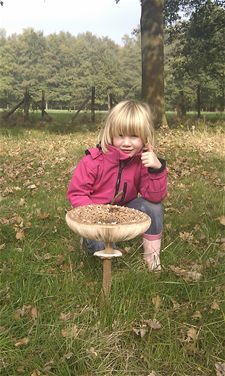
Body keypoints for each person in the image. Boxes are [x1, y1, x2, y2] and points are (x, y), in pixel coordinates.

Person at [67, 100, 168, 271]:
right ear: (111, 134)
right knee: (102, 247)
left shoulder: (143, 161)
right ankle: (90, 241)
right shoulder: (93, 161)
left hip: (123, 212)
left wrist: (156, 169)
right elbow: (77, 193)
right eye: (120, 135)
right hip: (94, 218)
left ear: (144, 137)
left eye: (134, 136)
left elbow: (154, 197)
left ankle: (152, 259)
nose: (126, 143)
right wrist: (95, 217)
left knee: (154, 206)